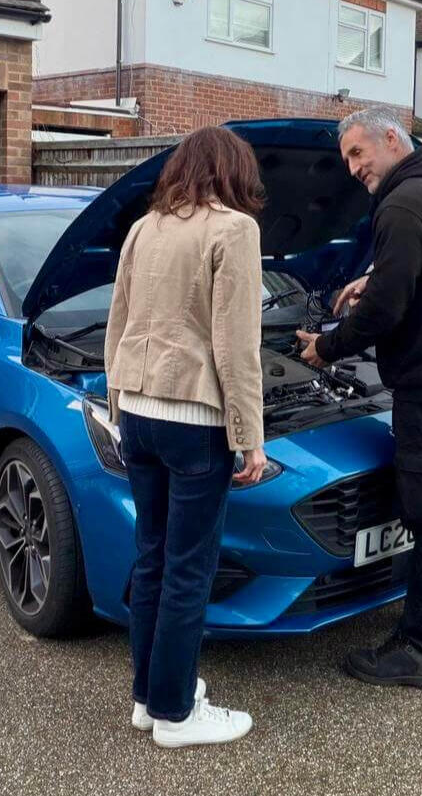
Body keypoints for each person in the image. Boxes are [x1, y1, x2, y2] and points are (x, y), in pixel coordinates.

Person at [296, 106, 422, 690]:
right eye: (348, 161)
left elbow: (387, 311)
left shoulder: (403, 202)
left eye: (358, 154)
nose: (354, 169)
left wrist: (327, 349)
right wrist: (377, 273)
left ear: (391, 138)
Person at [104, 125, 267, 748]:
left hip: (138, 414)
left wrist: (117, 404)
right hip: (194, 422)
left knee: (152, 558)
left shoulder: (144, 228)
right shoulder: (234, 230)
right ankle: (176, 713)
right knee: (188, 570)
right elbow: (236, 346)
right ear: (231, 172)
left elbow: (118, 321)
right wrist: (250, 437)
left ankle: (149, 698)